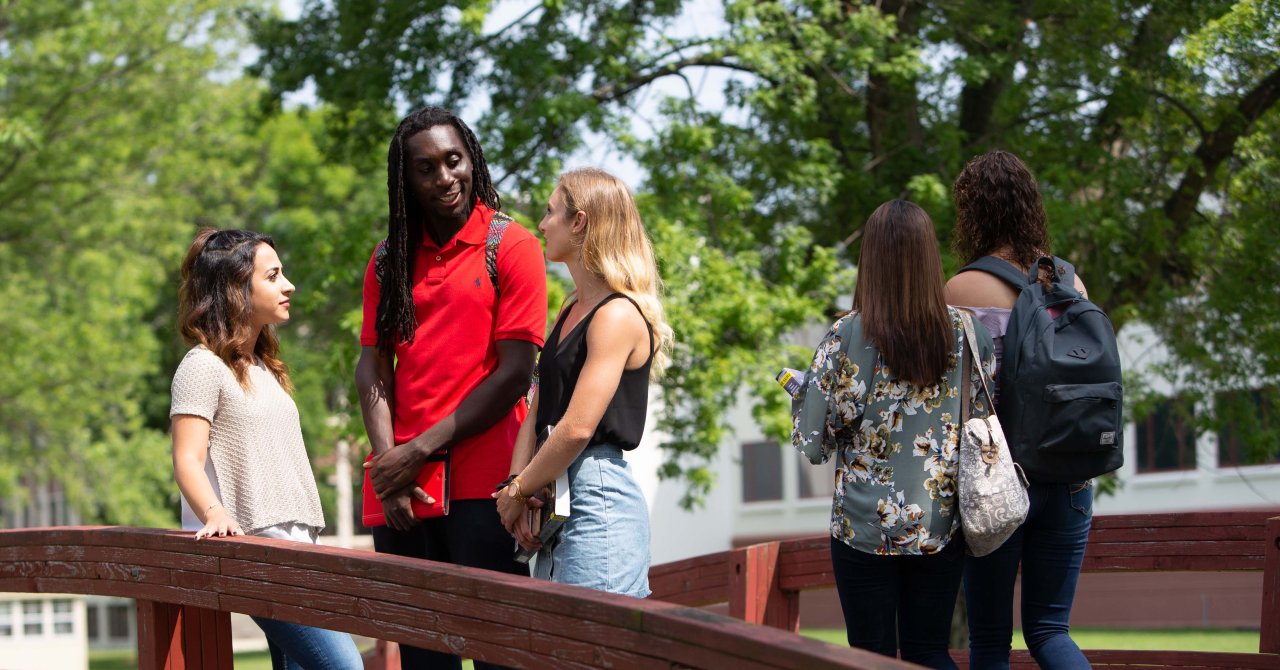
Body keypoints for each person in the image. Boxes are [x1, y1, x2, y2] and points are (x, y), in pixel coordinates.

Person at [356, 107, 547, 670]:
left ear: (471, 160)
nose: (444, 177)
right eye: (425, 168)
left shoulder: (511, 245)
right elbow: (373, 365)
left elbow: (515, 373)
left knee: (498, 654)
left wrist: (415, 450)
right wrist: (389, 466)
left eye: (453, 160)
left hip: (489, 488)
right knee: (421, 658)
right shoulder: (388, 259)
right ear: (405, 180)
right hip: (407, 491)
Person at [791, 200, 996, 668]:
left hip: (863, 524)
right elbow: (982, 421)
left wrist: (803, 397)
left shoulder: (848, 334)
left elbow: (815, 441)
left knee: (870, 656)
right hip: (939, 522)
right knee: (929, 651)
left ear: (871, 259)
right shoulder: (969, 332)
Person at [170, 228, 362, 670]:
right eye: (273, 276)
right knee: (344, 666)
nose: (288, 285)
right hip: (259, 551)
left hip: (298, 548)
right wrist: (215, 513)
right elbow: (186, 458)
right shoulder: (202, 366)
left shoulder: (263, 367)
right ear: (236, 289)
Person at [493, 168, 672, 598]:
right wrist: (516, 486)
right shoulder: (570, 310)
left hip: (597, 502)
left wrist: (519, 490)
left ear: (580, 222)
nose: (541, 224)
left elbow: (576, 428)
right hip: (552, 496)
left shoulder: (617, 314)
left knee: (591, 638)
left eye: (550, 211)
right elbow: (537, 410)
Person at [945, 149, 1093, 669]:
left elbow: (948, 393)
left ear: (973, 213)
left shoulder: (962, 288)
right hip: (1070, 476)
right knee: (1051, 631)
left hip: (998, 481)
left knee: (989, 642)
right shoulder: (1069, 282)